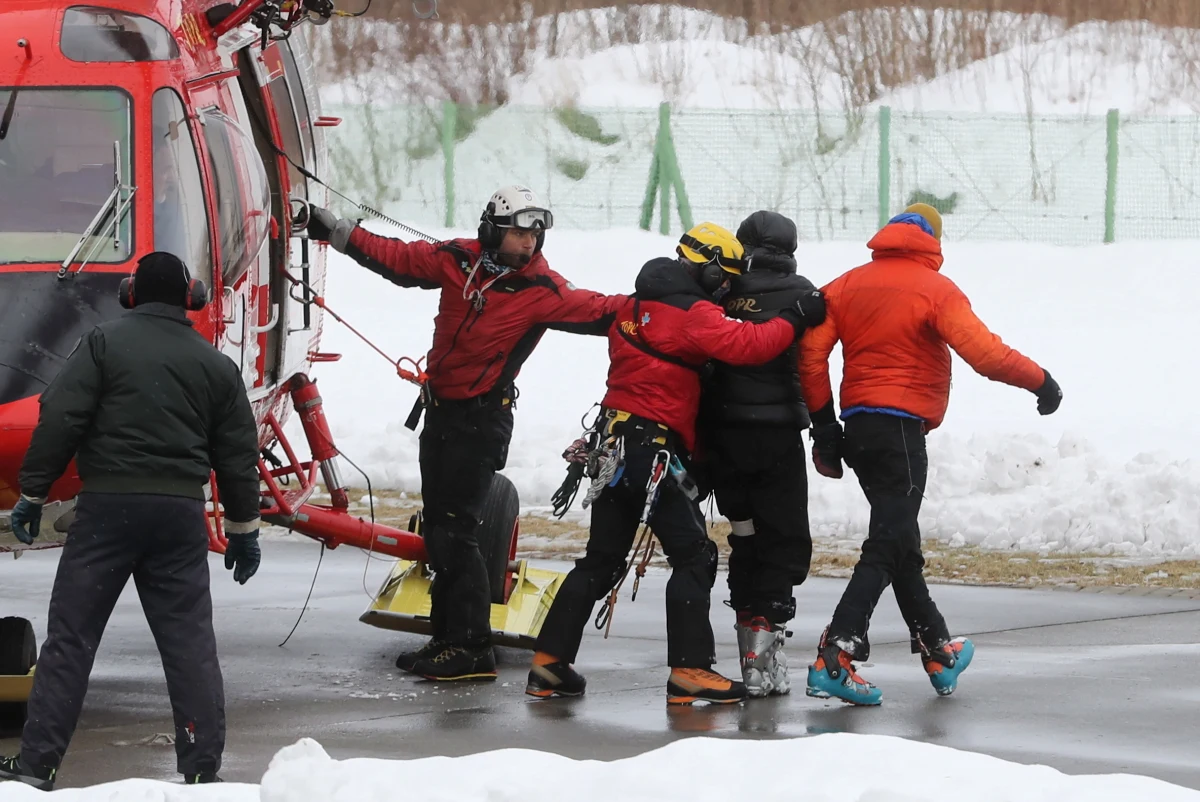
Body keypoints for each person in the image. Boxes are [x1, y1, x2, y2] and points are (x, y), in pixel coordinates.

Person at [305, 185, 626, 682]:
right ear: (492, 229)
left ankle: (472, 646)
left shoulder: (542, 290)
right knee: (438, 527)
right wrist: (337, 233)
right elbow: (398, 258)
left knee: (456, 529)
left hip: (483, 420)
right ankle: (449, 635)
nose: (529, 243)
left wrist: (667, 298)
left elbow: (607, 310)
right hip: (441, 413)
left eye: (535, 235)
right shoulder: (459, 259)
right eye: (519, 233)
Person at [524, 222, 824, 705]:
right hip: (651, 453)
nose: (727, 287)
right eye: (723, 276)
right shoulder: (694, 314)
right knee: (696, 556)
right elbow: (751, 346)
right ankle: (689, 669)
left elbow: (584, 308)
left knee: (601, 559)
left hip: (612, 448)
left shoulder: (632, 304)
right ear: (704, 268)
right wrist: (795, 315)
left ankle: (549, 663)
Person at [0, 252, 262, 790]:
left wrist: (32, 492)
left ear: (130, 294)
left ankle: (38, 765)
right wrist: (243, 529)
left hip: (106, 514)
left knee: (72, 639)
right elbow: (238, 456)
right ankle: (200, 770)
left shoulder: (102, 343)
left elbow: (60, 417)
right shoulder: (215, 365)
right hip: (179, 517)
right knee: (189, 642)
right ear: (191, 298)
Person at [798, 203, 1063, 706]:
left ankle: (938, 650)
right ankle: (836, 653)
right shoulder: (935, 289)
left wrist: (825, 429)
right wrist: (1041, 382)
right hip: (900, 433)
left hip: (859, 429)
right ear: (933, 242)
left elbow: (810, 355)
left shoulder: (847, 284)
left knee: (901, 543)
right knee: (887, 542)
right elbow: (984, 354)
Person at [697, 210, 823, 698]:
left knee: (745, 534)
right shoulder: (804, 295)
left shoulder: (722, 291)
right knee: (784, 540)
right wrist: (824, 429)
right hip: (776, 438)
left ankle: (747, 642)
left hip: (724, 437)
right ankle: (762, 652)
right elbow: (811, 364)